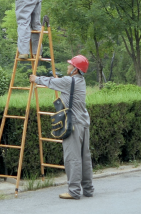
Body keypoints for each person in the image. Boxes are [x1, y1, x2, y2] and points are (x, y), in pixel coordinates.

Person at [30, 55, 94, 200]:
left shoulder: (69, 81)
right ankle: (88, 189)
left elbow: (51, 82)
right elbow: (62, 82)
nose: (68, 67)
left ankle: (74, 191)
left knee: (72, 158)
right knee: (85, 157)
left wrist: (36, 79)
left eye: (70, 66)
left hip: (73, 125)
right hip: (83, 123)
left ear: (76, 70)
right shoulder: (80, 80)